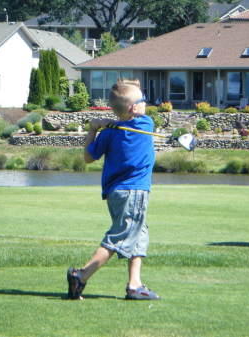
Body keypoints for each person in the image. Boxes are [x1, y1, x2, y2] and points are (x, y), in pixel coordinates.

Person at [67, 79, 160, 301]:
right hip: (133, 192)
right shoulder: (146, 125)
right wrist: (109, 123)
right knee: (119, 236)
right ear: (134, 108)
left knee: (139, 233)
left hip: (115, 193)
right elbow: (128, 120)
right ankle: (81, 275)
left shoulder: (108, 132)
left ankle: (134, 285)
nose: (146, 104)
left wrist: (94, 127)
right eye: (142, 100)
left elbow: (88, 157)